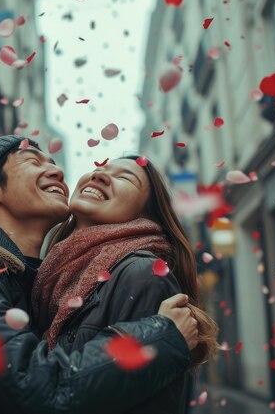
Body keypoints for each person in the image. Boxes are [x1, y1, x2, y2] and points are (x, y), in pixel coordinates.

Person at [0, 136, 198, 414]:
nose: (58, 170)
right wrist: (161, 335)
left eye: (125, 178)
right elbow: (36, 384)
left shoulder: (36, 281)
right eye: (32, 160)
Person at [32, 156, 220, 413]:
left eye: (124, 177)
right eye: (99, 168)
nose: (98, 175)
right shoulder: (54, 273)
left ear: (144, 213)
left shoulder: (143, 274)